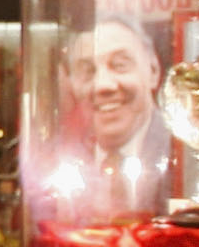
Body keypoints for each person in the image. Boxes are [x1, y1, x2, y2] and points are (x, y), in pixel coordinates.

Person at [59, 12, 172, 221]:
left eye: (119, 65)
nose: (103, 85)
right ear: (71, 83)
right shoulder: (61, 160)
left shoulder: (184, 159)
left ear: (154, 71)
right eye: (88, 70)